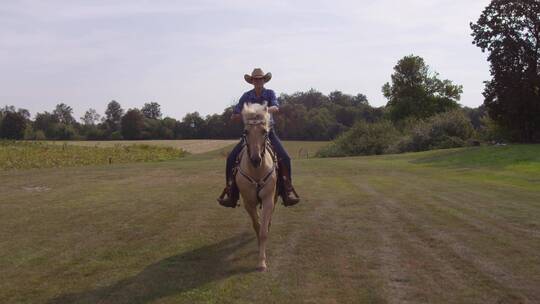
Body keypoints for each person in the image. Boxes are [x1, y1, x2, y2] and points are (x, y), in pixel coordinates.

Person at [217, 68, 300, 208]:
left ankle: (287, 190)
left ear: (263, 80)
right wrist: (239, 115)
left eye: (260, 79)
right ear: (252, 81)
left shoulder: (269, 93)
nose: (258, 81)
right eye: (255, 79)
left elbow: (276, 107)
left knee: (285, 158)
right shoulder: (246, 96)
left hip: (267, 132)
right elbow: (235, 113)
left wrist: (264, 110)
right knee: (231, 158)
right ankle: (231, 192)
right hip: (249, 134)